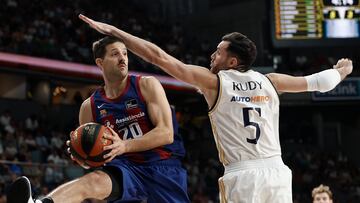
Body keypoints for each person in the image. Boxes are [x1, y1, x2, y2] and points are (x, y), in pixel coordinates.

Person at [78, 14, 353, 203]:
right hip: (278, 172)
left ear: (232, 62)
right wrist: (341, 72)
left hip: (243, 175)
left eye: (219, 52)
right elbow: (319, 82)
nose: (213, 55)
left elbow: (158, 57)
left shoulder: (215, 83)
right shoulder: (272, 81)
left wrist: (114, 32)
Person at [7, 36, 189, 203]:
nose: (123, 58)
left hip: (162, 168)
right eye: (115, 54)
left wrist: (124, 146)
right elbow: (93, 159)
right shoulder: (90, 106)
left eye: (125, 53)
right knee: (92, 181)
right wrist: (83, 157)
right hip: (125, 169)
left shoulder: (147, 84)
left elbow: (166, 133)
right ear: (100, 63)